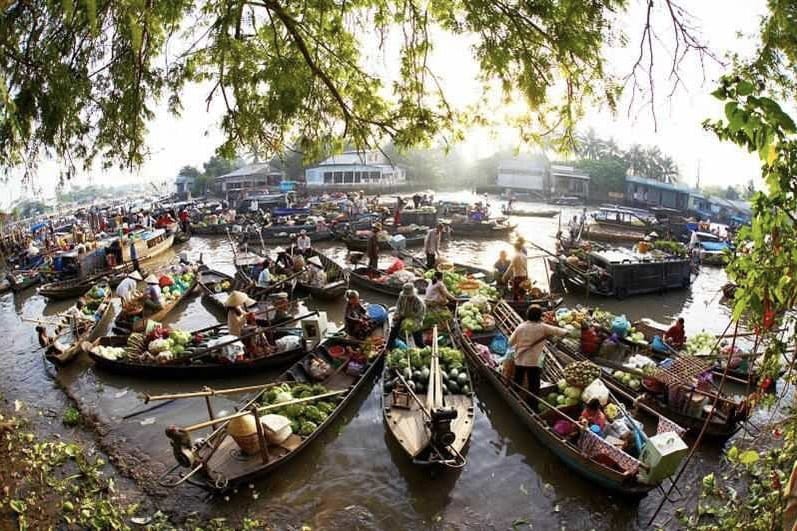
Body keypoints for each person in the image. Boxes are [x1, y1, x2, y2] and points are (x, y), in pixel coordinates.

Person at [508, 305, 568, 406]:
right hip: (534, 362)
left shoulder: (521, 327)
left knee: (517, 380)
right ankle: (532, 405)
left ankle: (514, 398)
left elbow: (510, 343)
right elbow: (561, 332)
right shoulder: (543, 327)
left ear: (527, 315)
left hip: (520, 359)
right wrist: (567, 332)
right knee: (534, 386)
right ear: (540, 316)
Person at [388, 283, 426, 347]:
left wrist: (411, 319)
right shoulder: (402, 296)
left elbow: (420, 314)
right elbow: (398, 306)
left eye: (409, 295)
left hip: (414, 319)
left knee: (418, 339)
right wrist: (396, 314)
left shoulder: (419, 302)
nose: (407, 297)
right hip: (403, 315)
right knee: (393, 331)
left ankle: (422, 347)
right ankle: (388, 345)